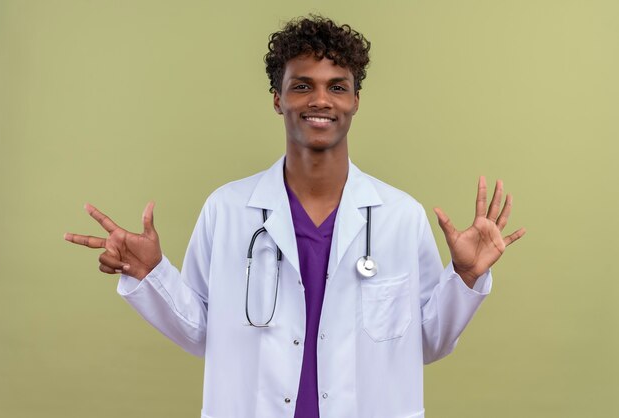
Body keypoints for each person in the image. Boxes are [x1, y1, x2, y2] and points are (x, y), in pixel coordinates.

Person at [65, 15, 525, 418]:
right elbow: (205, 333)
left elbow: (424, 346)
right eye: (302, 85)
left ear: (355, 100)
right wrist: (151, 274)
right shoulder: (227, 210)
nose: (320, 100)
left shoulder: (399, 217)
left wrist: (463, 278)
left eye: (337, 87)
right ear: (277, 99)